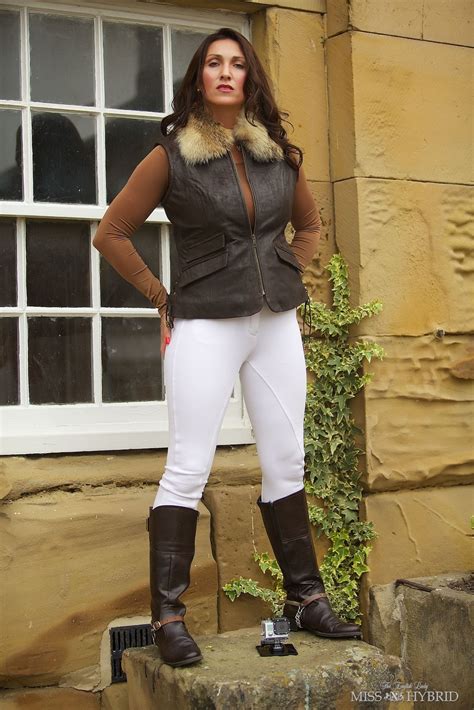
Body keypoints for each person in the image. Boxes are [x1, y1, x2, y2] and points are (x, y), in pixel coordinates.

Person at [93, 27, 362, 668]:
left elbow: (311, 225)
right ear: (199, 77)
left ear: (249, 78)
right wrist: (163, 296)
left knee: (286, 459)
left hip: (274, 325)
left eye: (236, 63)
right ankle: (168, 616)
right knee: (188, 467)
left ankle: (305, 598)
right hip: (205, 323)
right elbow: (112, 233)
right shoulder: (170, 156)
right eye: (213, 62)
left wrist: (287, 272)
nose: (225, 72)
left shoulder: (280, 157)